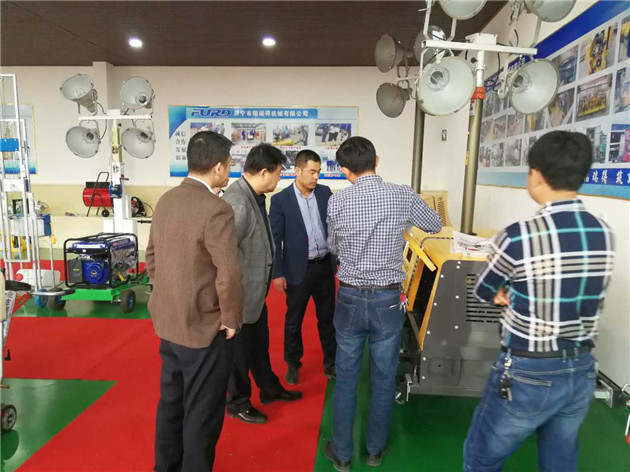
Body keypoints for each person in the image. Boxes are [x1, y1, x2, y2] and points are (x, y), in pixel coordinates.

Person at [463, 131, 615, 472]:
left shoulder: (518, 235)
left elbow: (484, 290)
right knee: (559, 460)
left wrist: (504, 294)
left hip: (528, 369)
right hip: (581, 367)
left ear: (536, 175)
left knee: (482, 455)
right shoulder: (604, 233)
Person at [324, 137, 443, 471]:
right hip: (387, 299)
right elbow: (434, 224)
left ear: (344, 170)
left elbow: (333, 246)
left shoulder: (337, 201)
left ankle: (342, 454)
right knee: (383, 377)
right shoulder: (402, 194)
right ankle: (375, 451)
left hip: (349, 296)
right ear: (377, 160)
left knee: (347, 378)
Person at [147, 130, 243, 471]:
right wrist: (230, 319)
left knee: (171, 406)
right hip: (204, 329)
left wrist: (170, 294)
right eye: (229, 163)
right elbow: (228, 272)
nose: (229, 169)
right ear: (218, 167)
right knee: (202, 416)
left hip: (168, 324)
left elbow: (152, 257)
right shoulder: (217, 209)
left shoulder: (166, 200)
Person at [223, 143, 303, 424]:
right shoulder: (238, 202)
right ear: (264, 172)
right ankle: (237, 402)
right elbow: (225, 254)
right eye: (279, 173)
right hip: (240, 293)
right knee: (238, 353)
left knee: (258, 344)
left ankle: (268, 387)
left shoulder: (255, 196)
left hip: (255, 291)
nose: (280, 178)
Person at [269, 149, 336, 385]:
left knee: (328, 317)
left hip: (324, 265)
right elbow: (275, 239)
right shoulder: (281, 200)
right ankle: (293, 363)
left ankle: (331, 363)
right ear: (297, 171)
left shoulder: (325, 193)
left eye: (318, 172)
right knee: (294, 320)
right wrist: (278, 273)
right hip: (298, 269)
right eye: (312, 172)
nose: (316, 177)